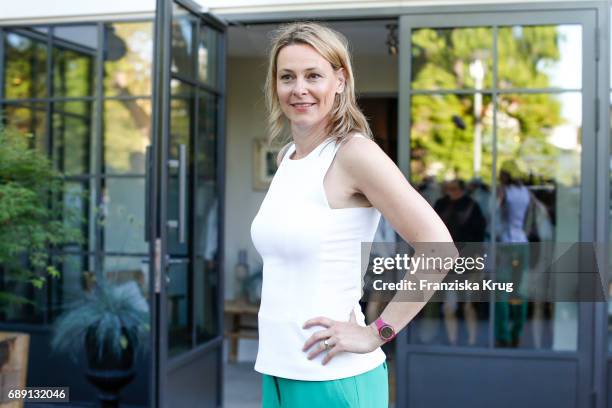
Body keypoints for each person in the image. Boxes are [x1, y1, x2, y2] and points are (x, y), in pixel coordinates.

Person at [250, 22, 455, 407]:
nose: (299, 89)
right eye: (287, 77)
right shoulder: (287, 159)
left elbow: (440, 249)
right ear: (275, 86)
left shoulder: (354, 154)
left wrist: (377, 332)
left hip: (334, 379)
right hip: (278, 371)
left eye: (314, 75)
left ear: (340, 81)